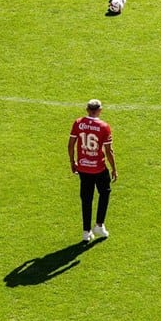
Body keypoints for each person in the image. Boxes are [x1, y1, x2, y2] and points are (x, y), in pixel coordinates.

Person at [68, 98, 117, 244]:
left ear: (87, 109)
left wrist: (72, 161)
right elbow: (109, 151)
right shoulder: (104, 127)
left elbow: (70, 145)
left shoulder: (78, 123)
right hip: (99, 167)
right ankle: (99, 225)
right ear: (99, 110)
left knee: (86, 199)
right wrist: (114, 168)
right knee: (105, 192)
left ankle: (86, 231)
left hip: (83, 167)